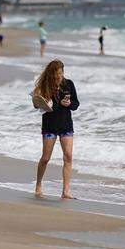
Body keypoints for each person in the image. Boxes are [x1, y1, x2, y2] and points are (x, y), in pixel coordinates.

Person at [31, 59, 79, 199]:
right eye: (56, 74)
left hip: (65, 125)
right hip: (50, 125)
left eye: (60, 73)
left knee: (68, 156)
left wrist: (69, 103)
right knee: (45, 158)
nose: (58, 76)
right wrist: (41, 101)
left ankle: (65, 191)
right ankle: (38, 184)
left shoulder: (69, 84)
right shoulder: (44, 86)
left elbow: (76, 104)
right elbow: (36, 104)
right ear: (51, 74)